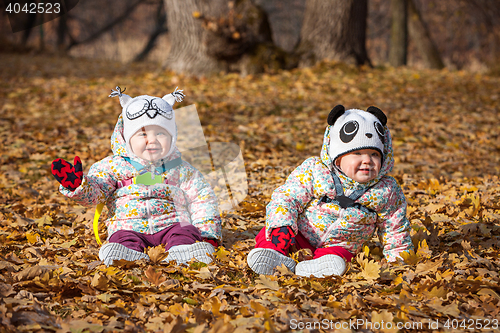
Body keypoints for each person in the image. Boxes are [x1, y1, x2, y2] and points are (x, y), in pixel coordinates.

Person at [51, 87, 221, 266]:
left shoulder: (180, 168)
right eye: (143, 134)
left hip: (172, 223)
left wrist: (207, 234)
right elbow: (97, 191)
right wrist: (79, 186)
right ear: (126, 137)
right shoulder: (112, 166)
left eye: (161, 133)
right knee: (122, 237)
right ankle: (126, 254)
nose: (152, 140)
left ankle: (184, 250)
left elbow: (202, 199)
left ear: (173, 137)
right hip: (128, 225)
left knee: (184, 231)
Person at [247, 105, 413, 277]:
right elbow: (288, 196)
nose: (367, 160)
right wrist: (282, 223)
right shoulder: (316, 171)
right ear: (338, 158)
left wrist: (399, 260)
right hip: (300, 235)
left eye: (374, 154)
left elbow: (394, 227)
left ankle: (319, 267)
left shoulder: (386, 190)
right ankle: (272, 255)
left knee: (340, 256)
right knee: (270, 234)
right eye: (357, 153)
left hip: (339, 246)